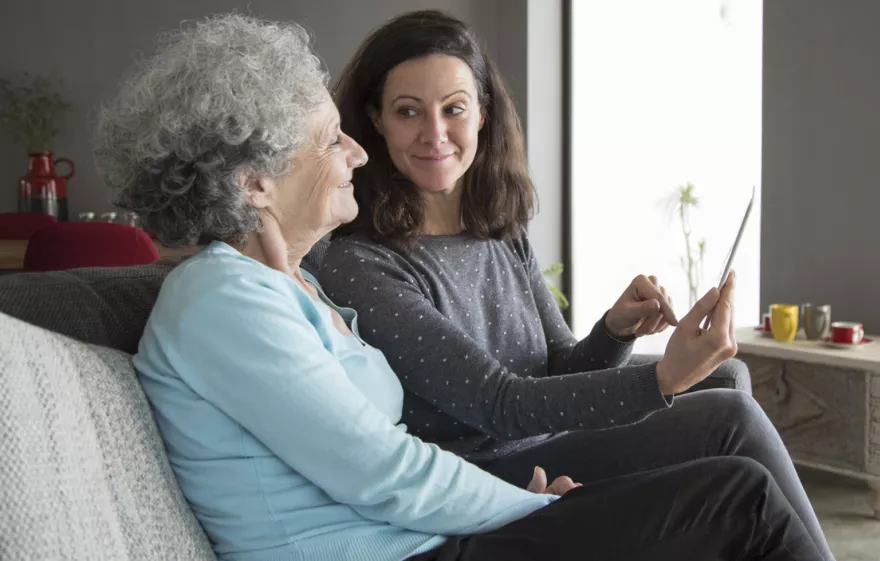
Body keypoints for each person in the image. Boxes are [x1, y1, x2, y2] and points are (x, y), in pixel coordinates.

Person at [93, 12, 827, 561]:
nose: (355, 147)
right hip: (401, 545)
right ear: (254, 183)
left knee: (730, 444)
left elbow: (388, 455)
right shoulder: (225, 302)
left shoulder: (287, 288)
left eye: (454, 108)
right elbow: (388, 468)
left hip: (418, 530)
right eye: (332, 136)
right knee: (740, 489)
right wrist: (521, 503)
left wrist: (612, 337)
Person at [324, 9, 835, 561]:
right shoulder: (364, 262)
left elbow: (558, 367)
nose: (435, 134)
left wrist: (614, 331)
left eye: (455, 109)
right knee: (727, 418)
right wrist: (662, 378)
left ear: (483, 116)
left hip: (545, 441)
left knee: (728, 377)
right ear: (375, 119)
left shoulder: (499, 230)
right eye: (408, 112)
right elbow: (500, 405)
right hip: (484, 470)